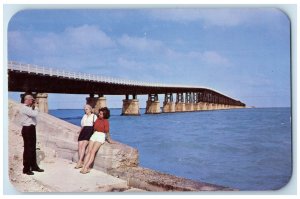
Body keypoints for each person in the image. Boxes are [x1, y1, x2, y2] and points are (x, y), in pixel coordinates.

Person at [80, 107, 112, 174]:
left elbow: (107, 132)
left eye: (101, 114)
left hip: (101, 136)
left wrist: (109, 140)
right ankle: (84, 167)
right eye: (99, 113)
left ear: (104, 115)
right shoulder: (97, 119)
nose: (99, 115)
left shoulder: (106, 121)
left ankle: (86, 167)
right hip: (95, 135)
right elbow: (94, 128)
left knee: (92, 152)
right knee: (88, 151)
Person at [19, 94, 44, 175]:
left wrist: (33, 107)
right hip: (27, 129)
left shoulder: (29, 108)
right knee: (28, 149)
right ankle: (26, 169)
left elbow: (34, 117)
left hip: (31, 129)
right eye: (32, 99)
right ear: (27, 100)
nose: (33, 101)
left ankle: (34, 166)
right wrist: (36, 106)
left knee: (33, 148)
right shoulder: (24, 108)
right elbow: (35, 114)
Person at [75, 104, 97, 169]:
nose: (85, 110)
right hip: (83, 131)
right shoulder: (84, 116)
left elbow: (95, 126)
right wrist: (80, 131)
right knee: (79, 146)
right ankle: (81, 161)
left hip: (89, 131)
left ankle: (79, 162)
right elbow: (82, 125)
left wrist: (94, 134)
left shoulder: (94, 116)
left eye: (86, 109)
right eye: (84, 109)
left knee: (84, 146)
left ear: (90, 109)